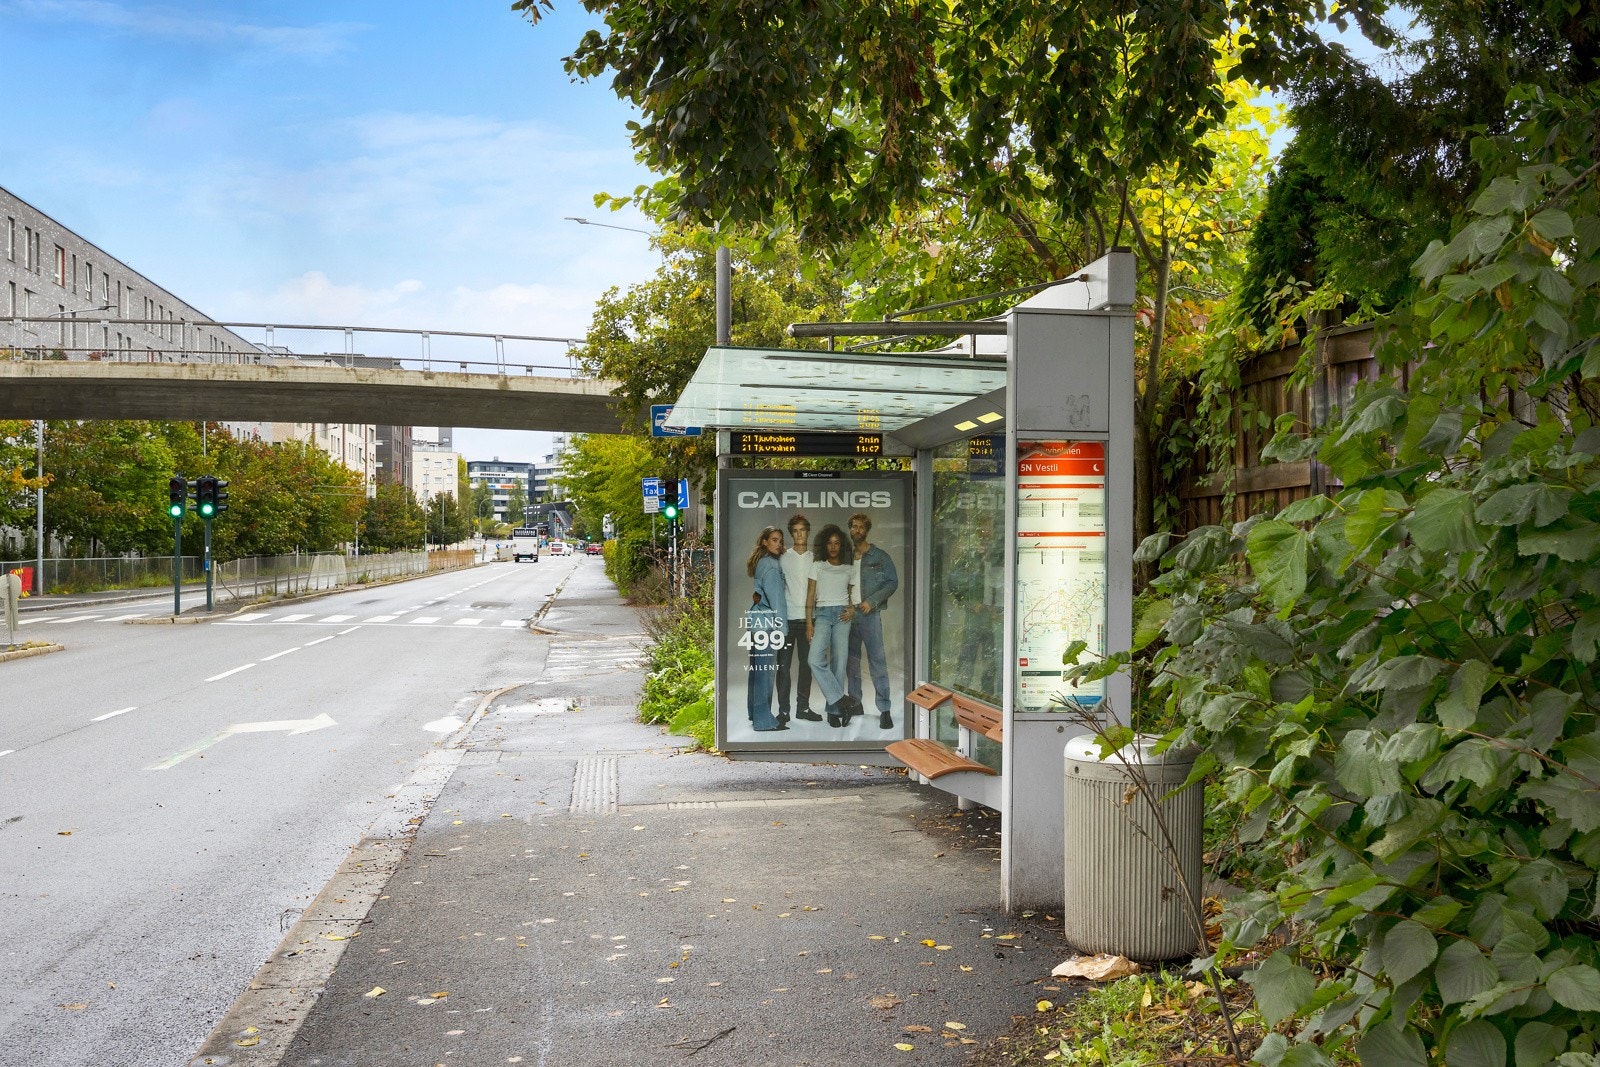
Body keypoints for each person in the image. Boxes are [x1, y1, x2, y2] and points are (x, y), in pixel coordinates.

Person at [845, 513, 900, 729]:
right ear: (849, 529)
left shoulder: (880, 556)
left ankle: (884, 709)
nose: (857, 530)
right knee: (852, 662)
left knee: (877, 661)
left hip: (869, 614)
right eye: (854, 526)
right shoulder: (845, 556)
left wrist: (873, 601)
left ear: (866, 531)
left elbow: (892, 582)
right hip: (848, 615)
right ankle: (855, 703)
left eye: (861, 527)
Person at [805, 524, 860, 728]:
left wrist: (852, 610)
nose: (833, 546)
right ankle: (841, 699)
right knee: (815, 659)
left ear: (842, 546)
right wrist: (809, 622)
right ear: (824, 545)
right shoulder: (818, 566)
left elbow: (853, 595)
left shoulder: (849, 569)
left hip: (842, 616)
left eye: (837, 543)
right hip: (822, 614)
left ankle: (834, 712)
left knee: (839, 661)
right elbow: (810, 596)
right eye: (830, 543)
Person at [744, 526, 789, 732]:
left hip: (756, 621)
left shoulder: (762, 562)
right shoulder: (771, 566)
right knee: (766, 672)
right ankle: (763, 721)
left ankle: (755, 713)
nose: (778, 544)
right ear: (764, 542)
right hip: (768, 623)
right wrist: (783, 629)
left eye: (780, 540)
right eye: (774, 540)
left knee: (757, 670)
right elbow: (777, 600)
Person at [776, 513, 818, 724]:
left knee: (806, 665)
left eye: (803, 530)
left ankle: (803, 708)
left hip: (809, 620)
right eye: (795, 530)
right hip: (786, 620)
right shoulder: (783, 557)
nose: (800, 534)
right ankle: (784, 711)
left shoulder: (815, 558)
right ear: (791, 533)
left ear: (808, 532)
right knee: (783, 667)